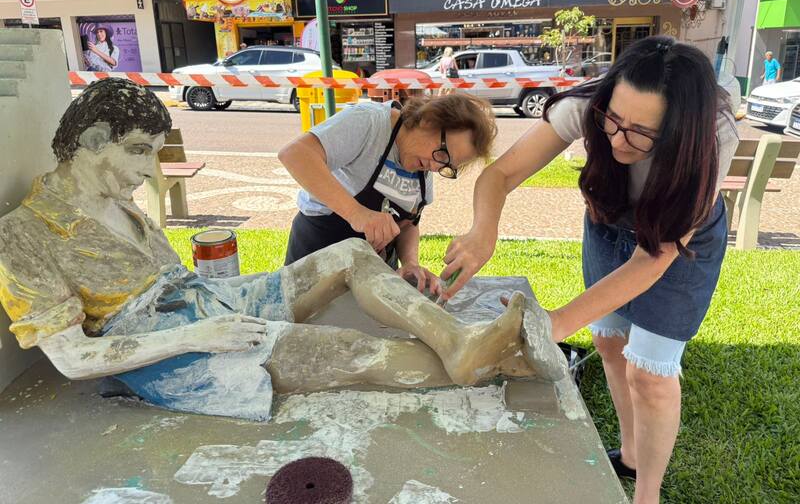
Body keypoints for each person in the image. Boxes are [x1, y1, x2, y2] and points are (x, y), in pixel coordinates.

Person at [0, 78, 559, 422]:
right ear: (93, 142)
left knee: (354, 257)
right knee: (342, 351)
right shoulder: (20, 236)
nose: (151, 171)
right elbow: (73, 357)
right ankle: (492, 363)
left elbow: (402, 223)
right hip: (173, 345)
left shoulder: (118, 205)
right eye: (140, 152)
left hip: (205, 300)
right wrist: (201, 335)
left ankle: (461, 344)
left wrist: (409, 263)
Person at [440, 37, 739, 504]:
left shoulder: (713, 138)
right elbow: (500, 175)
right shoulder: (588, 106)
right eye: (613, 122)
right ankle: (632, 454)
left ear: (680, 130)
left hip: (676, 241)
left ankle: (647, 495)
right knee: (608, 342)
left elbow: (654, 258)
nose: (618, 140)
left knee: (652, 376)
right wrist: (483, 234)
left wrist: (555, 323)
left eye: (642, 132)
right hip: (609, 218)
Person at [279, 93, 496, 296]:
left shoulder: (424, 166)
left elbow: (408, 224)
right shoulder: (370, 122)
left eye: (447, 167)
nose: (435, 167)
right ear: (429, 120)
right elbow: (296, 154)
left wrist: (410, 263)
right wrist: (358, 214)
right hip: (316, 261)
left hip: (373, 277)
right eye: (442, 154)